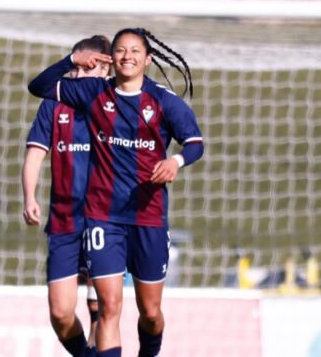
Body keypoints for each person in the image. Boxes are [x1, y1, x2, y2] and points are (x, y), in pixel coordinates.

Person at [28, 28, 204, 357]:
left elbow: (195, 143)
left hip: (148, 217)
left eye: (135, 51)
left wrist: (176, 161)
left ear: (148, 59)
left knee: (150, 313)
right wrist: (70, 60)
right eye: (121, 50)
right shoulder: (94, 92)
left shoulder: (164, 101)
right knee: (109, 308)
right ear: (113, 58)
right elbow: (38, 87)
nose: (128, 56)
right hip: (103, 218)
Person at [22, 35, 112, 357]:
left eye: (95, 65)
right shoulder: (54, 103)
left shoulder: (115, 100)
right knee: (60, 313)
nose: (87, 71)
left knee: (102, 306)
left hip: (107, 221)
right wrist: (29, 196)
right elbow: (34, 155)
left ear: (105, 68)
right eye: (83, 64)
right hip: (64, 221)